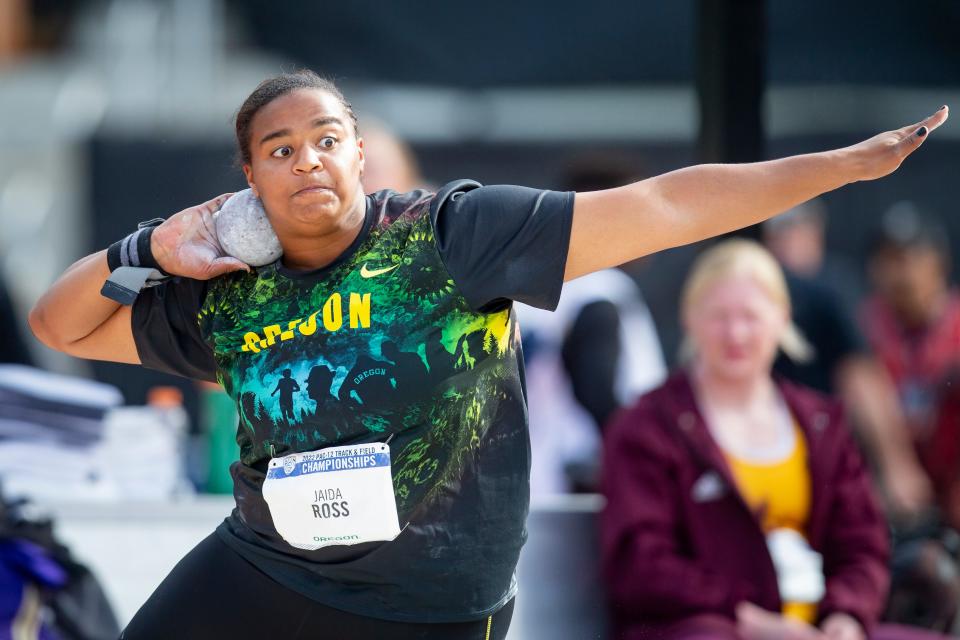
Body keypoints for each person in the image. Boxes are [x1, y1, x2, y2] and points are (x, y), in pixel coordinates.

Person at [27, 68, 947, 638]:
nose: (307, 159)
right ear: (250, 178)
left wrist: (838, 165)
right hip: (268, 567)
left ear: (359, 156)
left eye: (327, 139)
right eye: (279, 148)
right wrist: (146, 250)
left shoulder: (452, 237)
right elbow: (59, 324)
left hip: (429, 601)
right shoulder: (229, 293)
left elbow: (665, 207)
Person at [600, 239, 950, 640]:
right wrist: (751, 620)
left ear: (782, 319)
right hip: (708, 627)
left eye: (750, 316)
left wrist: (847, 617)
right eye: (719, 316)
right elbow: (641, 566)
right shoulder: (648, 426)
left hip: (818, 624)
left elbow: (862, 544)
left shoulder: (820, 422)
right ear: (689, 319)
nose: (735, 333)